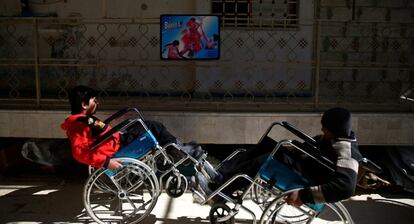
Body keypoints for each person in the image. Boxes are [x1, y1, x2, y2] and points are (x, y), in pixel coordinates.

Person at [208, 107, 362, 206]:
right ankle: (221, 177)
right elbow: (313, 147)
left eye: (325, 128)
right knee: (267, 145)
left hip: (306, 178)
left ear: (336, 129)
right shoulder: (334, 138)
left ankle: (221, 190)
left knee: (264, 162)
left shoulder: (347, 152)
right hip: (303, 164)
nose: (322, 129)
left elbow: (346, 188)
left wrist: (304, 195)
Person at [61, 85, 196, 171]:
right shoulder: (78, 125)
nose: (97, 103)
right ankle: (178, 152)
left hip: (118, 140)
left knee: (143, 125)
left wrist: (116, 133)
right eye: (94, 101)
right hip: (117, 147)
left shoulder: (84, 119)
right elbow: (79, 153)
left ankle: (176, 148)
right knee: (154, 126)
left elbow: (99, 133)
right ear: (84, 104)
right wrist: (106, 162)